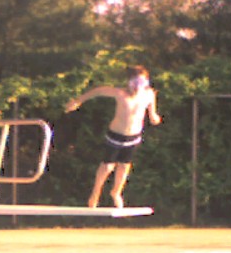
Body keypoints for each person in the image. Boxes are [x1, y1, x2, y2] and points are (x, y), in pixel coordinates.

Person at [65, 65, 162, 208]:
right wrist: (78, 101)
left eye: (141, 83)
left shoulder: (149, 95)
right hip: (115, 135)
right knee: (107, 166)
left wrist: (154, 117)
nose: (137, 87)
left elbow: (152, 113)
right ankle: (95, 193)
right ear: (129, 82)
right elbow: (98, 91)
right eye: (135, 83)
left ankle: (116, 192)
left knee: (124, 165)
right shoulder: (120, 93)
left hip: (133, 136)